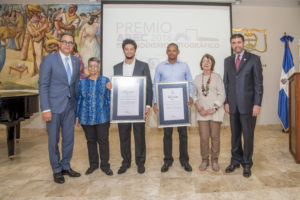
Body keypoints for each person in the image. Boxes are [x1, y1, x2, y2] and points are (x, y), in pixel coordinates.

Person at [39, 33, 81, 184]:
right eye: (65, 42)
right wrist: (45, 109)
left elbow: (75, 86)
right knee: (53, 140)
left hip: (70, 107)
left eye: (70, 43)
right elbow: (43, 85)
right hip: (54, 107)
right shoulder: (49, 60)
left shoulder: (76, 62)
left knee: (69, 139)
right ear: (59, 43)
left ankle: (66, 166)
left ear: (73, 45)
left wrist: (77, 110)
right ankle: (56, 170)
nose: (67, 45)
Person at [223, 33, 263, 178]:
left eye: (239, 42)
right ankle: (235, 161)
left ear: (243, 43)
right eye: (234, 43)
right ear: (231, 45)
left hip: (249, 106)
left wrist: (257, 104)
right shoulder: (227, 61)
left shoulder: (254, 59)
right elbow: (226, 83)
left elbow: (258, 84)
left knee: (247, 135)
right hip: (232, 105)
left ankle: (247, 163)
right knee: (234, 135)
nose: (237, 45)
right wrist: (226, 102)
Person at [113, 39, 152, 174]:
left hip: (138, 109)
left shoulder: (143, 66)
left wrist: (147, 106)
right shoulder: (116, 67)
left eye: (131, 49)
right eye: (126, 49)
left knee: (139, 136)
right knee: (123, 136)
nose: (129, 51)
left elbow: (148, 87)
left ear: (135, 50)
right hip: (122, 109)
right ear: (123, 50)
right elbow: (116, 89)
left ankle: (140, 162)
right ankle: (126, 162)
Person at [153, 43, 193, 173]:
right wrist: (155, 101)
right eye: (169, 50)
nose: (171, 52)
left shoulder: (184, 66)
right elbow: (155, 85)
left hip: (181, 106)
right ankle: (168, 160)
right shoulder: (160, 67)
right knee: (167, 135)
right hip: (166, 107)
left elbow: (190, 83)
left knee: (183, 134)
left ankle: (184, 160)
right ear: (166, 52)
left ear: (178, 52)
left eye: (174, 50)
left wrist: (191, 96)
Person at [76, 57, 113, 176]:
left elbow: (110, 99)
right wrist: (77, 116)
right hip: (86, 118)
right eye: (90, 66)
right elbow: (79, 100)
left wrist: (111, 90)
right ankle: (93, 164)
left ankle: (105, 165)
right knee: (90, 141)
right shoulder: (82, 82)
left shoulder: (105, 81)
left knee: (103, 141)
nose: (93, 68)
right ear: (88, 67)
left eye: (95, 66)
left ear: (99, 67)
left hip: (102, 117)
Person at [193, 54, 225, 172]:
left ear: (212, 64)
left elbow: (222, 94)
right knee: (204, 138)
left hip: (215, 112)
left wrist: (214, 108)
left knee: (215, 137)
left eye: (209, 61)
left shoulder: (217, 77)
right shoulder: (197, 78)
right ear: (201, 63)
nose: (206, 63)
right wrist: (199, 108)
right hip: (202, 113)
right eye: (204, 61)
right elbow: (194, 95)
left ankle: (215, 160)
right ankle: (205, 160)